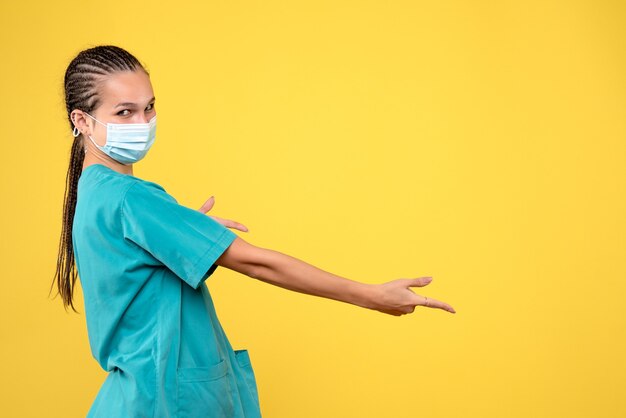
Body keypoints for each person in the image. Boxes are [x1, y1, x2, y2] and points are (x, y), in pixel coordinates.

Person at [50, 45, 456, 418]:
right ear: (81, 120)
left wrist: (182, 229)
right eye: (125, 112)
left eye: (150, 107)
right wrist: (373, 296)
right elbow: (257, 263)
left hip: (136, 398)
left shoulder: (95, 194)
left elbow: (136, 273)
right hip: (166, 403)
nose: (144, 122)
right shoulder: (131, 199)